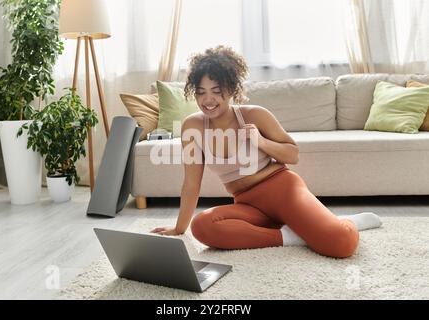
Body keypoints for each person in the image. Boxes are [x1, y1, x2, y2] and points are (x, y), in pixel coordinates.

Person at [151, 45, 382, 258]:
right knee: (202, 226)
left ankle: (344, 222)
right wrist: (179, 228)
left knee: (341, 244)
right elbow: (191, 183)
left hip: (282, 191)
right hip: (248, 204)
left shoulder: (254, 115)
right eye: (201, 92)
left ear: (231, 89)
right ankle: (291, 236)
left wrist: (261, 142)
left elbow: (293, 155)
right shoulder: (193, 126)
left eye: (216, 91)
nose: (208, 100)